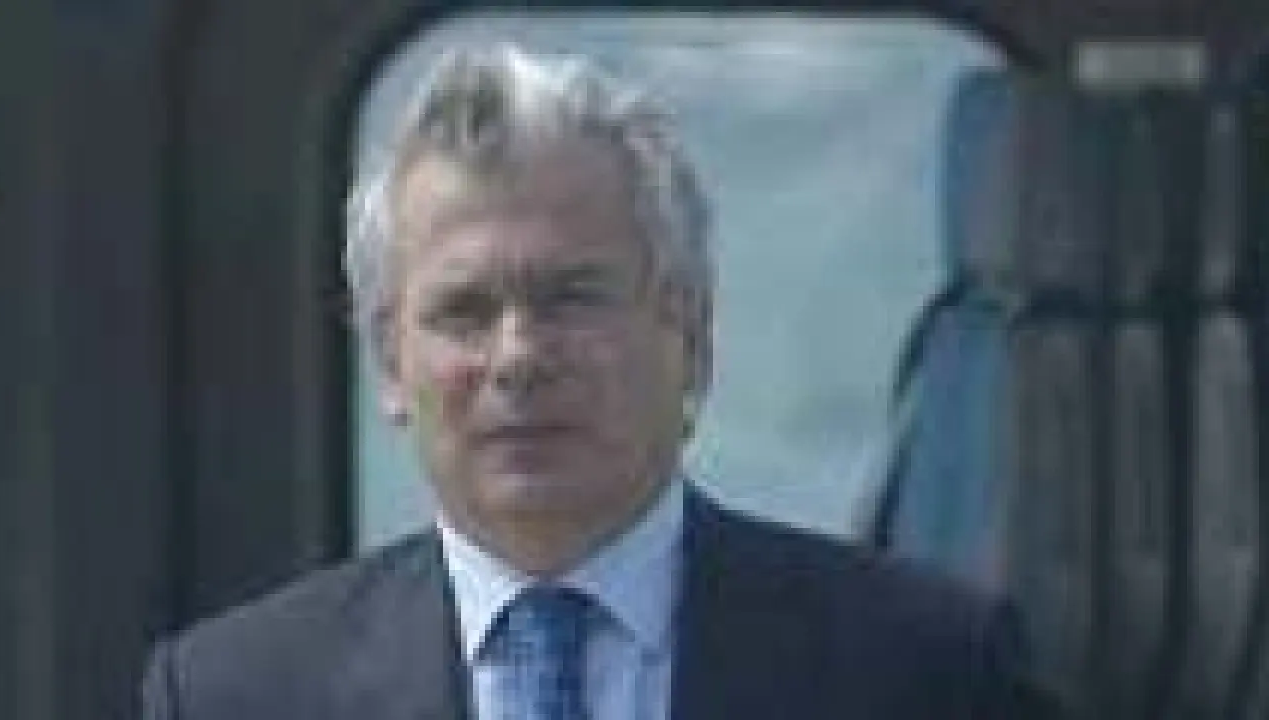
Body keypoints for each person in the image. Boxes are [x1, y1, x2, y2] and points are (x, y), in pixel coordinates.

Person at [142, 43, 1029, 719]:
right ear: (389, 364)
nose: (519, 357)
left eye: (571, 298)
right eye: (463, 311)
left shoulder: (925, 668)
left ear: (689, 334)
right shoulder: (237, 694)